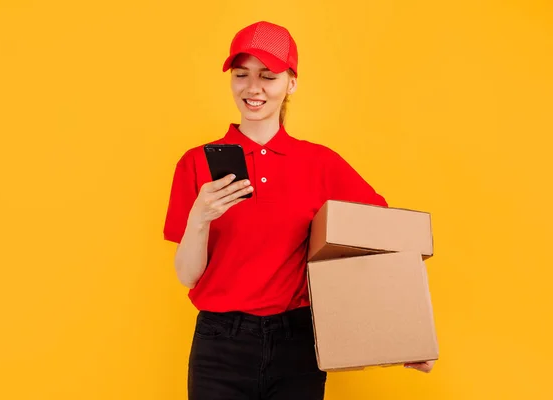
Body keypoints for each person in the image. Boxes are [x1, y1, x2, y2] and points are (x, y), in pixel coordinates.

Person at [163, 20, 435, 400]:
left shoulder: (320, 164)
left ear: (291, 83)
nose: (252, 88)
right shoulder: (196, 164)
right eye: (242, 74)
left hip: (297, 344)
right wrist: (200, 216)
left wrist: (407, 333)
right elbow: (188, 276)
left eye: (268, 76)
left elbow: (383, 244)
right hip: (219, 345)